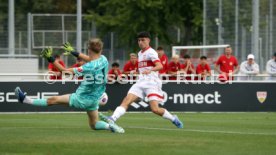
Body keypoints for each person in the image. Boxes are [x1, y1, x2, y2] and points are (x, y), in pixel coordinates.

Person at [14, 39, 124, 133]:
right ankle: (110, 126)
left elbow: (65, 71)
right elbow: (90, 59)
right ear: (100, 50)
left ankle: (24, 100)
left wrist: (50, 59)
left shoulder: (88, 67)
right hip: (95, 98)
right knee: (94, 124)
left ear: (89, 50)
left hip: (82, 98)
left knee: (53, 100)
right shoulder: (103, 59)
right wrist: (73, 52)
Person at [101, 31, 183, 129]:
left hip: (152, 83)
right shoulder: (140, 53)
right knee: (127, 100)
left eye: (143, 40)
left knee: (155, 109)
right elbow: (141, 70)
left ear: (148, 40)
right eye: (139, 40)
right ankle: (112, 118)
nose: (140, 42)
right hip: (140, 82)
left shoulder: (151, 52)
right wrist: (128, 73)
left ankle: (173, 119)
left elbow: (160, 66)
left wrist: (150, 70)